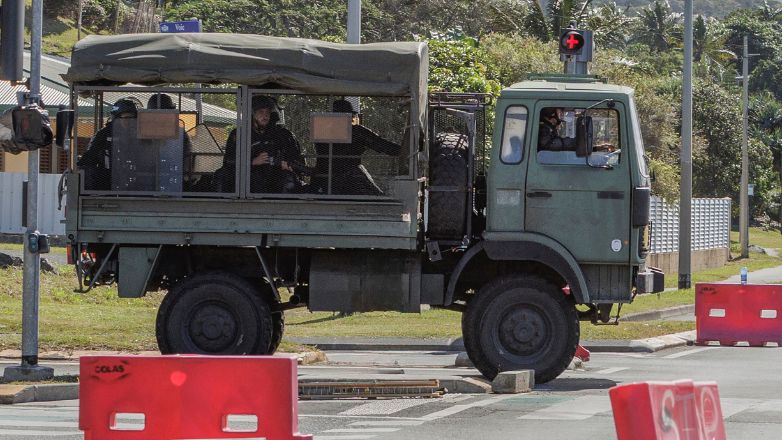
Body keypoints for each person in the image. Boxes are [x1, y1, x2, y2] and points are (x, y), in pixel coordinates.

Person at [311, 99, 401, 196]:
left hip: (323, 182)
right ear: (348, 116)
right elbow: (383, 146)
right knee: (379, 200)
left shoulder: (322, 132)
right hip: (350, 181)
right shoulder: (356, 132)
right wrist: (406, 150)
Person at [219, 95, 304, 193]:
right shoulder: (239, 134)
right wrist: (252, 162)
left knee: (288, 180)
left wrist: (288, 165)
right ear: (252, 114)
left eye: (268, 112)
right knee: (221, 175)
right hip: (247, 179)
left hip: (275, 178)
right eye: (261, 112)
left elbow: (296, 158)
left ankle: (282, 208)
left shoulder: (283, 134)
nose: (265, 115)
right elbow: (228, 161)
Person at [77, 98, 139, 190]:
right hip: (107, 189)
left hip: (137, 187)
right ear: (116, 118)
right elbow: (89, 158)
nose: (130, 121)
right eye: (126, 118)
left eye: (133, 118)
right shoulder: (103, 135)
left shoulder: (141, 135)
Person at [147, 93, 193, 189]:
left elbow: (186, 158)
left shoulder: (180, 133)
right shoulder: (143, 131)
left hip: (174, 177)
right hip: (148, 178)